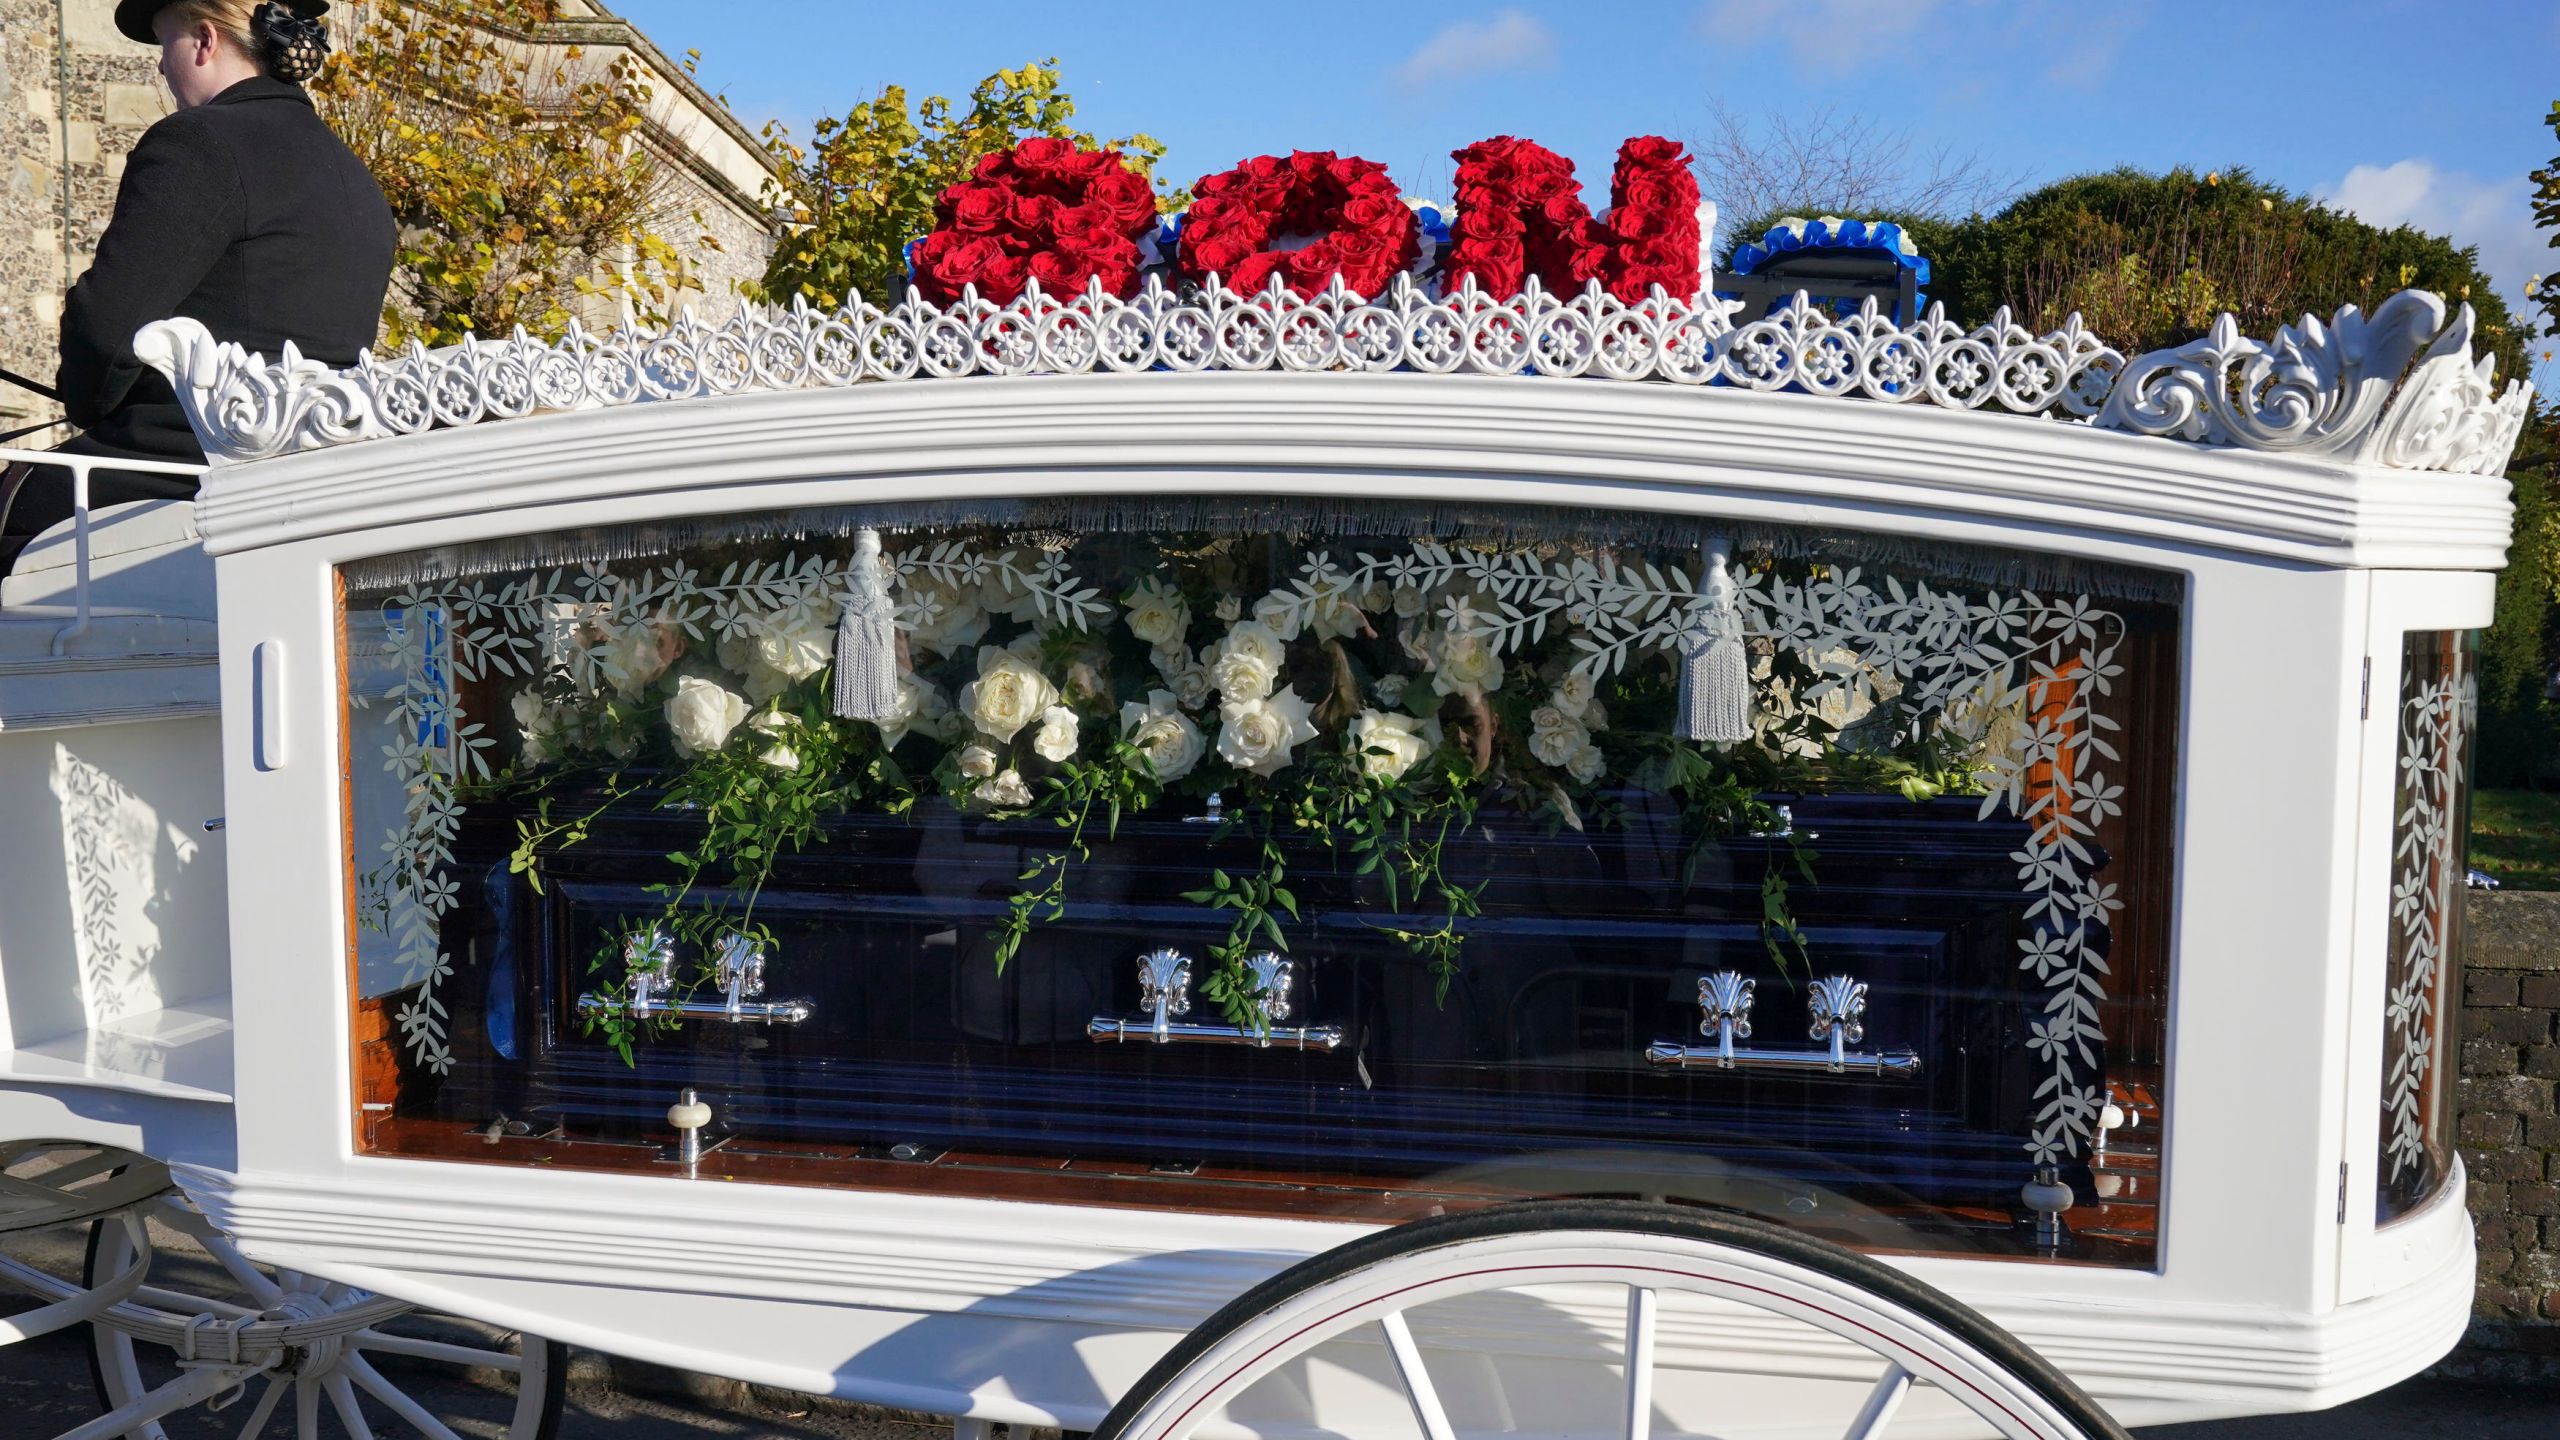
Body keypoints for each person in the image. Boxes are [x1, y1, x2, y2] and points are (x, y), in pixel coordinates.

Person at [0, 0, 395, 564]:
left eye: (167, 45)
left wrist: (88, 403)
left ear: (206, 41)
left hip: (182, 467)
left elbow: (106, 328)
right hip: (312, 472)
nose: (161, 67)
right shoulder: (354, 174)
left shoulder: (198, 143)